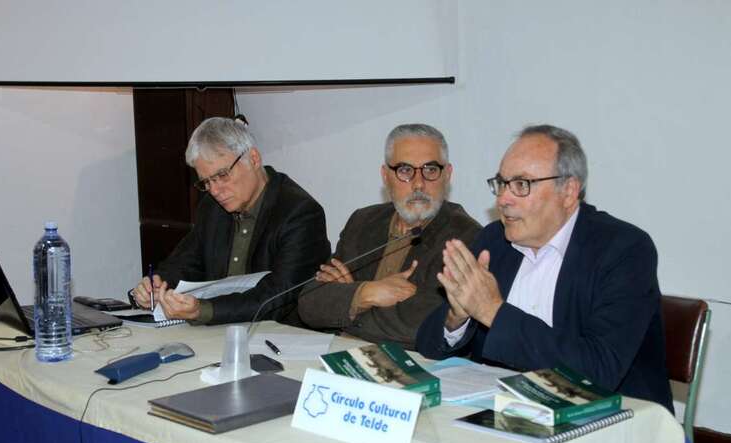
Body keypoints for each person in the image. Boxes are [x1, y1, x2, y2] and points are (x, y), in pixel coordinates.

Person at [416, 124, 673, 411]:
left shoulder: (623, 249)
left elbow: (598, 371)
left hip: (610, 418)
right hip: (503, 409)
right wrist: (457, 318)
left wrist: (492, 311)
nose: (503, 199)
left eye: (521, 185)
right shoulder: (494, 241)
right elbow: (427, 347)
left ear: (569, 191)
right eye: (501, 183)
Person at [131, 117, 330, 325]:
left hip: (278, 337)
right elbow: (186, 262)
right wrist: (158, 284)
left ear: (253, 159)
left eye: (222, 175)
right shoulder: (212, 207)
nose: (215, 191)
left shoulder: (300, 212)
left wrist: (204, 310)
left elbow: (278, 296)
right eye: (206, 182)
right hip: (218, 332)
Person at [298, 124, 481, 349]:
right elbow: (309, 302)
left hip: (414, 367)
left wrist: (350, 299)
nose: (418, 183)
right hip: (343, 354)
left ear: (447, 175)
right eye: (405, 170)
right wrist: (368, 292)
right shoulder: (363, 221)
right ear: (385, 176)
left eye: (430, 170)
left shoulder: (466, 236)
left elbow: (423, 324)